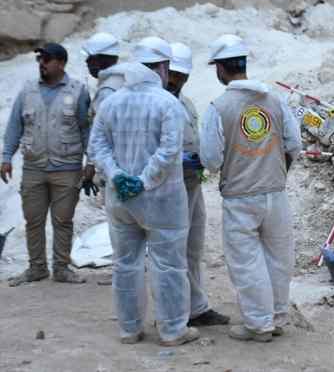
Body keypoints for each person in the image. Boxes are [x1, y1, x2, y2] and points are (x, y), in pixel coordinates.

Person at [88, 36, 199, 346]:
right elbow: (168, 151)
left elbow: (97, 145)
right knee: (169, 264)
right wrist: (144, 180)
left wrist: (117, 175)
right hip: (162, 200)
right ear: (163, 67)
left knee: (125, 264)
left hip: (120, 200)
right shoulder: (168, 103)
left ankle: (129, 329)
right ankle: (173, 329)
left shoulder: (111, 102)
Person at [200, 34, 302, 342]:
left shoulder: (218, 107)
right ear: (243, 63)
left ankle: (259, 324)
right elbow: (294, 144)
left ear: (220, 68)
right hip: (276, 192)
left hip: (240, 197)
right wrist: (276, 170)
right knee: (279, 257)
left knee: (247, 263)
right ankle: (278, 317)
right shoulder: (274, 99)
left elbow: (211, 159)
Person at [2, 43, 90, 286]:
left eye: (47, 59)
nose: (42, 63)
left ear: (61, 63)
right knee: (33, 220)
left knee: (62, 220)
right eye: (40, 59)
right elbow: (14, 127)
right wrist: (6, 157)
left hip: (68, 168)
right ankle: (37, 268)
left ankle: (61, 268)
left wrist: (90, 162)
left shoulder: (79, 91)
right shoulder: (27, 91)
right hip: (34, 168)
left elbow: (86, 130)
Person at [166, 42, 229, 327]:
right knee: (171, 251)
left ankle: (196, 308)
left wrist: (201, 158)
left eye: (181, 75)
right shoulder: (155, 103)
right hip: (167, 188)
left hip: (191, 183)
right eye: (173, 74)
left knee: (192, 248)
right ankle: (175, 314)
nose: (176, 80)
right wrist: (177, 161)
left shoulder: (186, 103)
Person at [81, 32, 123, 200]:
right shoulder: (125, 80)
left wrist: (90, 167)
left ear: (100, 60)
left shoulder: (107, 91)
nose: (87, 62)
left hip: (113, 166)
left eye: (90, 58)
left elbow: (99, 133)